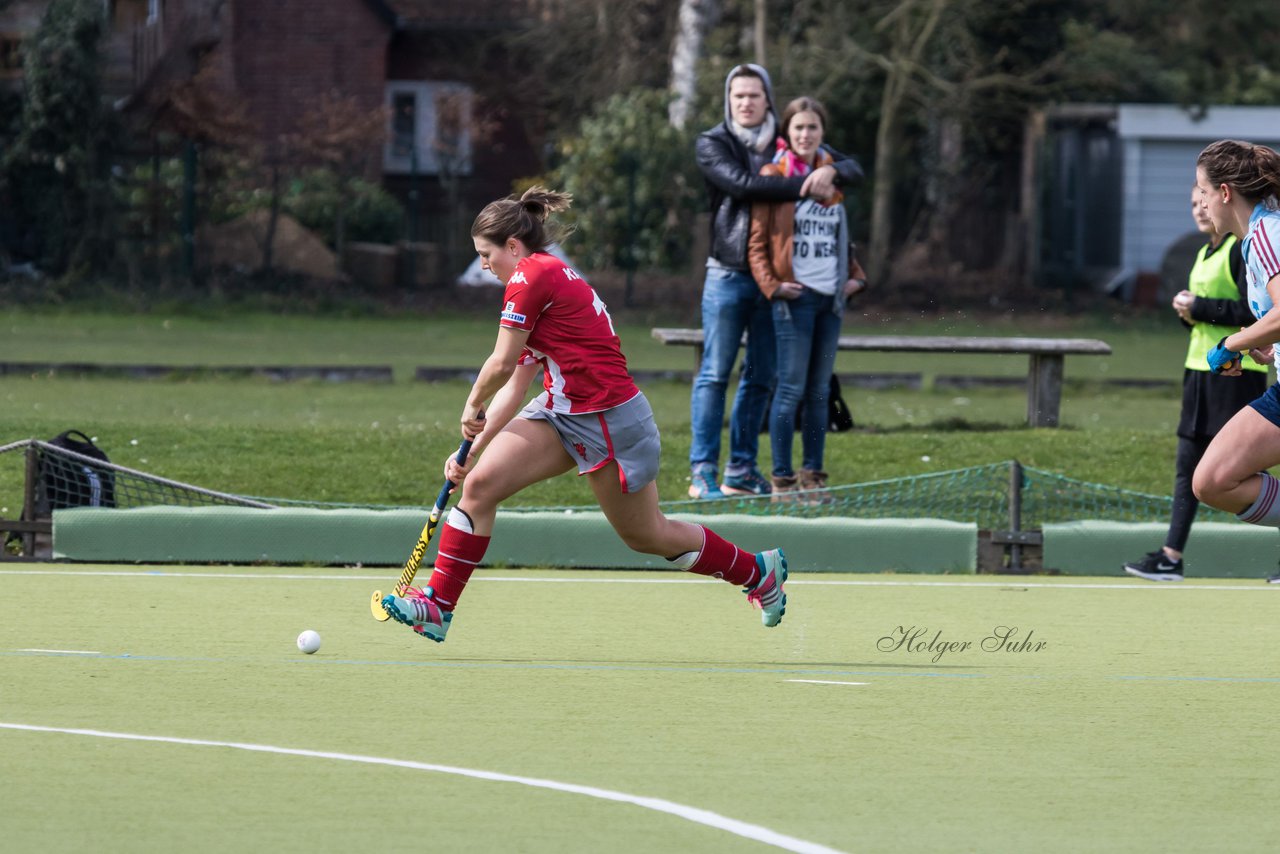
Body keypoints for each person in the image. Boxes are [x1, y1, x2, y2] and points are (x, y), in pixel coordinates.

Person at [380, 187, 790, 641]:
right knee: (477, 486)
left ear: (512, 247)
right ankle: (438, 606)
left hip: (611, 422)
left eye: (486, 254)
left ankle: (757, 572)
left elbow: (497, 367)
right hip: (562, 411)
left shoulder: (532, 277)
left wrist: (470, 403)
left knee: (647, 535)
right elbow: (516, 384)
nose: (483, 265)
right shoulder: (541, 279)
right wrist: (471, 450)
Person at [689, 64, 864, 499]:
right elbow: (744, 186)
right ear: (728, 101)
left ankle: (741, 470)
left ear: (768, 99)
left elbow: (853, 168)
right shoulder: (714, 143)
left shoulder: (786, 140)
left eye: (754, 95)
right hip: (729, 275)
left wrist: (833, 174)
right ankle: (703, 471)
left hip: (782, 282)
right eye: (738, 96)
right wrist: (810, 181)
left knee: (761, 377)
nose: (746, 103)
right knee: (714, 373)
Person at [1123, 185, 1267, 581]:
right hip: (1199, 372)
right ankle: (1171, 556)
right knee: (1188, 466)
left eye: (1203, 199)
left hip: (1238, 376)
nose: (1199, 209)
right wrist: (1185, 313)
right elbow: (1206, 317)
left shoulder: (1243, 249)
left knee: (1244, 467)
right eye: (1191, 203)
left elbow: (1251, 314)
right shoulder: (1203, 254)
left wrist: (1199, 307)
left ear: (1222, 198)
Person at [746, 96, 867, 503]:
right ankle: (782, 481)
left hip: (829, 302)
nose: (805, 134)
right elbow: (757, 243)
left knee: (819, 392)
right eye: (798, 128)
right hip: (792, 301)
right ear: (787, 132)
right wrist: (772, 286)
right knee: (790, 389)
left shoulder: (832, 177)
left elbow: (841, 240)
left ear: (822, 133)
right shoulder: (774, 174)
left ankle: (813, 478)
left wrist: (855, 278)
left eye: (812, 127)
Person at [1188, 139, 1280, 584]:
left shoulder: (1267, 234)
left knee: (1215, 479)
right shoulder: (1255, 238)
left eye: (1203, 191)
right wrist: (1270, 346)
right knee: (1212, 480)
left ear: (1225, 193)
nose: (1200, 203)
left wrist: (1234, 342)